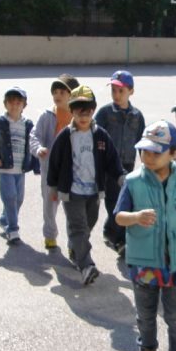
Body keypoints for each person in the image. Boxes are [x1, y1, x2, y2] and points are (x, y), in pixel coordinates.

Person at [114, 120, 176, 351]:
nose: (147, 157)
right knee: (145, 314)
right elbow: (118, 217)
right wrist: (135, 217)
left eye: (155, 152)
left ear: (173, 153)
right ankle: (148, 349)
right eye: (144, 151)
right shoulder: (132, 182)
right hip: (143, 262)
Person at [46, 85, 124, 286]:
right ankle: (86, 265)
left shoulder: (100, 135)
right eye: (79, 112)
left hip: (93, 191)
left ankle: (75, 248)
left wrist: (120, 177)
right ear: (71, 111)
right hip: (71, 192)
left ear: (93, 111)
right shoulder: (65, 136)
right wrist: (53, 188)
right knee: (79, 227)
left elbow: (112, 159)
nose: (84, 116)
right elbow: (54, 163)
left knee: (88, 224)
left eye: (88, 112)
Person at [95, 70, 144, 257]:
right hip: (109, 166)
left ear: (131, 91)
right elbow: (95, 136)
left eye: (120, 91)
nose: (116, 95)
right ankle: (120, 241)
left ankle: (109, 230)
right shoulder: (105, 113)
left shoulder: (137, 116)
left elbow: (141, 141)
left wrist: (145, 163)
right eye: (114, 90)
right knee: (113, 202)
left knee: (124, 201)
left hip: (128, 164)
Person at [29, 74, 80, 251]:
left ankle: (74, 242)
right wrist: (38, 149)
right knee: (49, 205)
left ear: (72, 95)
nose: (57, 96)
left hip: (72, 173)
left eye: (62, 92)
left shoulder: (77, 118)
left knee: (72, 209)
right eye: (55, 92)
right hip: (50, 172)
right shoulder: (47, 116)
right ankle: (50, 235)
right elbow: (34, 136)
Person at [0, 87, 35, 245]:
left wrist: (35, 162)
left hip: (20, 168)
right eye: (11, 102)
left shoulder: (28, 124)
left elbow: (32, 144)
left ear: (24, 105)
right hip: (5, 168)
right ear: (5, 104)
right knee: (10, 197)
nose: (14, 105)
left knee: (19, 199)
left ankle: (4, 219)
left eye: (18, 102)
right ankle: (12, 229)